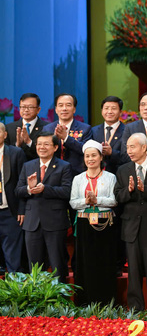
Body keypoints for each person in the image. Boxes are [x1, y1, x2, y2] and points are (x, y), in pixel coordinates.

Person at [114, 133, 147, 311]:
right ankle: (135, 307)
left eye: (132, 147)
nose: (128, 151)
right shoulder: (123, 170)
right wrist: (129, 191)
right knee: (134, 270)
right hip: (131, 226)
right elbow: (117, 196)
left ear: (144, 148)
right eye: (127, 147)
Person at [15, 132, 73, 282]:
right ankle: (38, 300)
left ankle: (60, 301)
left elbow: (67, 191)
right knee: (34, 265)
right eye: (39, 144)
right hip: (32, 222)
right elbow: (18, 190)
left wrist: (45, 189)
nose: (42, 147)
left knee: (57, 265)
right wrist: (29, 188)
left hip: (55, 222)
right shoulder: (28, 165)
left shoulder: (64, 166)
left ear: (55, 147)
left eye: (46, 144)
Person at [69, 140, 118, 305]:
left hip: (105, 224)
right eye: (87, 156)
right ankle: (85, 302)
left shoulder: (111, 177)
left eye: (93, 155)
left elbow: (114, 201)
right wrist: (86, 201)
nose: (90, 159)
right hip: (84, 224)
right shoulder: (78, 179)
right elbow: (73, 202)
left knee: (104, 262)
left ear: (100, 157)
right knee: (85, 263)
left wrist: (97, 200)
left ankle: (106, 302)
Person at [0, 123, 28, 273]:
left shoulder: (15, 153)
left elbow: (21, 183)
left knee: (13, 259)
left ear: (5, 135)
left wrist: (22, 209)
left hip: (10, 212)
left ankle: (14, 292)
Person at [42, 93, 92, 174]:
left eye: (68, 105)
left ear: (74, 109)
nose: (64, 108)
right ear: (56, 109)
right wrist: (54, 140)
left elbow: (86, 150)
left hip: (76, 173)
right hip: (53, 173)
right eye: (60, 105)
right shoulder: (47, 129)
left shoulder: (85, 129)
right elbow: (43, 152)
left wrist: (66, 138)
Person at [5, 93, 48, 160]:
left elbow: (48, 152)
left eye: (30, 107)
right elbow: (5, 154)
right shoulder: (9, 128)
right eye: (23, 107)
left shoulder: (47, 128)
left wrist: (29, 142)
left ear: (38, 110)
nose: (26, 110)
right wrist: (17, 145)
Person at [89, 96, 126, 174]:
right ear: (102, 111)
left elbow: (129, 157)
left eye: (113, 108)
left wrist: (112, 152)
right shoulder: (93, 130)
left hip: (119, 174)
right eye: (106, 108)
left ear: (120, 112)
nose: (109, 111)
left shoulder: (127, 131)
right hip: (97, 175)